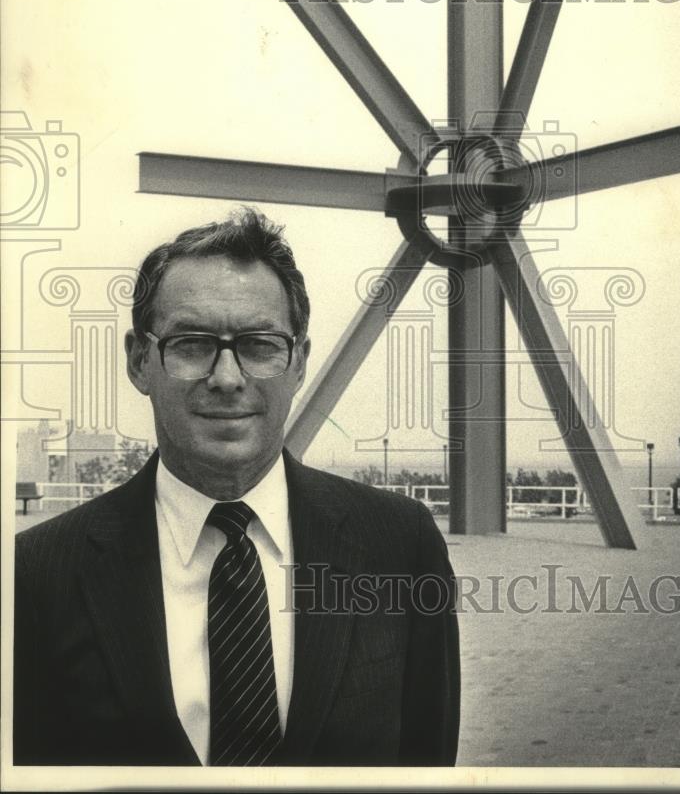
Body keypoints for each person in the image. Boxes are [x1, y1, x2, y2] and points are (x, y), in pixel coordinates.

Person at [14, 209, 460, 767]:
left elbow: (427, 761)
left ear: (298, 362)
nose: (227, 378)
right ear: (138, 361)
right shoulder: (37, 573)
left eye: (260, 345)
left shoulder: (400, 544)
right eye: (192, 344)